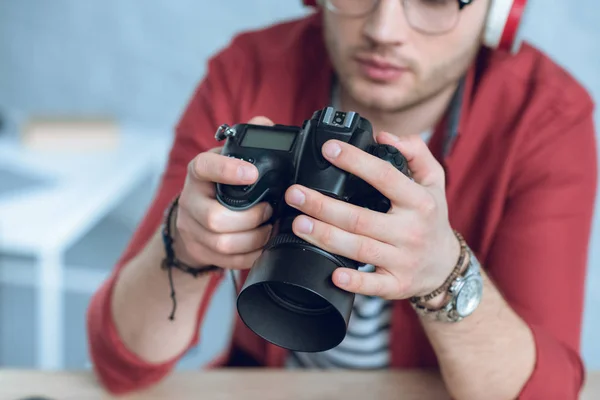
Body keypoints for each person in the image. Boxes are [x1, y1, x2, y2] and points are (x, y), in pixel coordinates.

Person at [86, 0, 597, 399]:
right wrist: (185, 244)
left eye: (435, 1)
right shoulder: (250, 71)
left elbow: (546, 393)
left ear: (500, 14)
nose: (384, 29)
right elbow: (121, 364)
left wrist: (445, 274)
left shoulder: (546, 121)